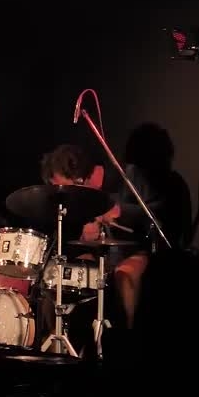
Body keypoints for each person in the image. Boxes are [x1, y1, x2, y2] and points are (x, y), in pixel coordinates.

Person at [39, 135, 181, 329]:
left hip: (141, 251)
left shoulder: (129, 176)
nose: (66, 196)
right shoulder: (80, 197)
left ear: (79, 178)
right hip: (103, 257)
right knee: (60, 278)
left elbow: (161, 214)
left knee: (124, 274)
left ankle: (128, 337)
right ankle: (65, 340)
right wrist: (85, 236)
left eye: (67, 188)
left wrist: (120, 211)